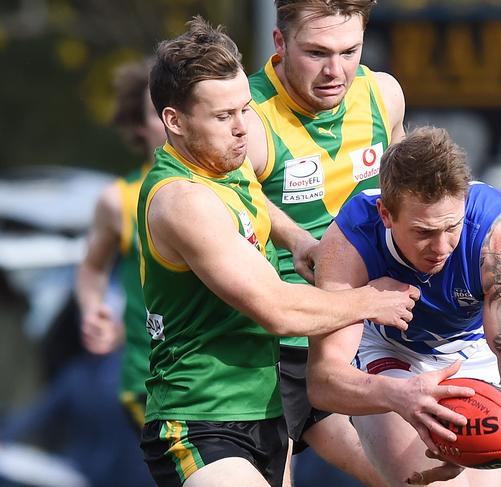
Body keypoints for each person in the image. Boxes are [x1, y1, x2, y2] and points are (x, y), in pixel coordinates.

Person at [138, 16, 419, 487]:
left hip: (266, 411)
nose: (242, 129)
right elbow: (275, 309)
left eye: (245, 110)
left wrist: (297, 239)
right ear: (175, 122)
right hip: (201, 420)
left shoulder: (227, 168)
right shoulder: (183, 199)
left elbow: (263, 210)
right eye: (223, 117)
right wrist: (373, 300)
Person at [307, 127, 501, 486]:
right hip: (388, 348)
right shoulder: (349, 240)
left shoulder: (499, 234)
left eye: (452, 227)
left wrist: (476, 438)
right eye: (423, 232)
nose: (442, 246)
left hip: (468, 349)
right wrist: (398, 395)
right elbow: (323, 382)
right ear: (385, 214)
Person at [246, 0, 406, 482]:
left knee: (407, 477)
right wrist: (296, 237)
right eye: (316, 53)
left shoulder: (383, 95)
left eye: (349, 50)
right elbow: (229, 196)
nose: (336, 71)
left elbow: (408, 192)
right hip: (275, 344)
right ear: (280, 43)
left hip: (365, 330)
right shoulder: (246, 116)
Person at [76, 57, 166, 431]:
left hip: (236, 378)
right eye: (156, 112)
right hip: (152, 382)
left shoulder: (240, 185)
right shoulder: (119, 199)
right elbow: (92, 269)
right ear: (139, 126)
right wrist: (95, 310)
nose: (170, 120)